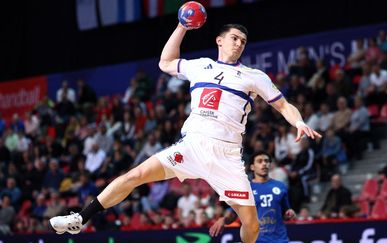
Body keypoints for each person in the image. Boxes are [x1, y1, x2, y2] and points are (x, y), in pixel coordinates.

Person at [49, 23, 320, 243]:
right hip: (191, 146)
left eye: (243, 41)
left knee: (252, 225)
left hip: (226, 155)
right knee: (134, 176)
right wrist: (182, 26)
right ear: (220, 41)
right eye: (234, 38)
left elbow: (283, 105)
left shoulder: (254, 76)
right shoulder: (200, 65)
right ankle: (80, 219)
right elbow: (166, 62)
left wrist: (298, 122)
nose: (238, 43)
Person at [209, 151, 296, 242]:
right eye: (260, 161)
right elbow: (233, 214)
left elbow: (285, 211)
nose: (264, 164)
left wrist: (289, 212)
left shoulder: (280, 186)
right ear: (252, 167)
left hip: (279, 240)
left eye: (266, 161)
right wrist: (223, 219)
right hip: (256, 240)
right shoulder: (246, 189)